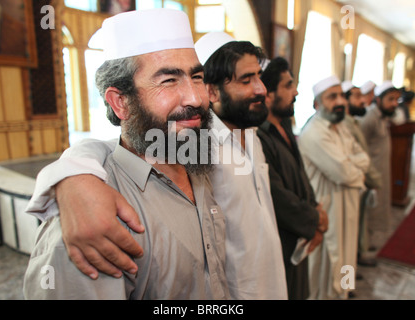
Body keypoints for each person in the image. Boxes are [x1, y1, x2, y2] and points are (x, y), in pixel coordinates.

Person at [25, 31, 288, 300]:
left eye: (197, 78)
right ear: (120, 102)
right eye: (169, 80)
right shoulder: (93, 223)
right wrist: (72, 177)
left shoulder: (195, 161)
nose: (195, 98)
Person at [256, 57, 328, 300]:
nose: (295, 92)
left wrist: (316, 206)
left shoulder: (285, 126)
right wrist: (314, 219)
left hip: (298, 236)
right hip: (281, 240)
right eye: (288, 86)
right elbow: (276, 196)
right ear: (268, 93)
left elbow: (301, 174)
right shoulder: (259, 137)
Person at [298, 75, 370, 300]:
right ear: (317, 104)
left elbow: (364, 158)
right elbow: (343, 172)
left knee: (348, 257)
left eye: (341, 95)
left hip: (348, 207)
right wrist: (353, 167)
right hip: (329, 213)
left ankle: (346, 291)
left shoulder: (340, 128)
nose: (340, 101)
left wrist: (352, 165)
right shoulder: (314, 133)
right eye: (332, 97)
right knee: (327, 269)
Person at [341, 80, 382, 267]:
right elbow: (347, 163)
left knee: (352, 241)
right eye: (357, 96)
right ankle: (344, 287)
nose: (363, 100)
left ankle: (347, 285)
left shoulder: (353, 123)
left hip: (356, 187)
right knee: (344, 246)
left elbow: (361, 158)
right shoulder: (339, 127)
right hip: (343, 193)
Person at [358, 81, 400, 250]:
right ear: (378, 99)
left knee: (377, 210)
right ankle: (362, 248)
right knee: (367, 213)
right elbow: (360, 145)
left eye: (396, 99)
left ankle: (368, 243)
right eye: (390, 99)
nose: (394, 104)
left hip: (380, 172)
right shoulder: (370, 118)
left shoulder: (383, 117)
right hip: (370, 175)